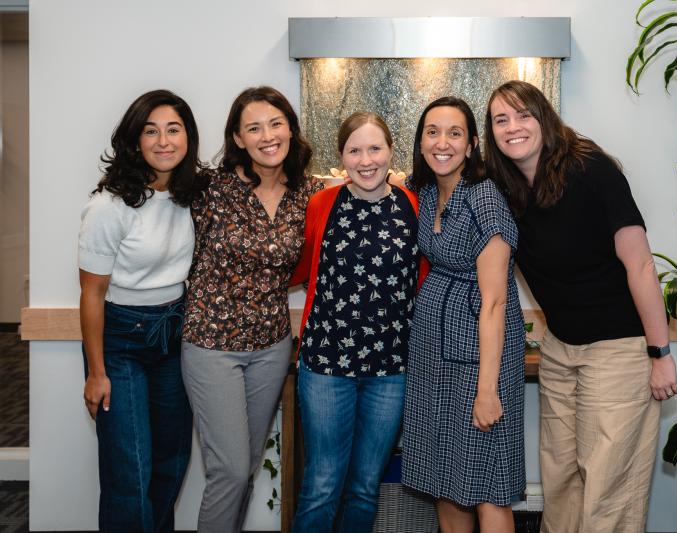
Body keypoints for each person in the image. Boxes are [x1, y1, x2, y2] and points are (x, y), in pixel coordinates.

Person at [484, 79, 677, 533]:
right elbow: (444, 168)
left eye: (523, 114)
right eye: (500, 119)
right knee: (560, 482)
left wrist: (660, 353)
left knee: (609, 488)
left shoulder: (590, 169)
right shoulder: (503, 185)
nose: (513, 127)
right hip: (560, 348)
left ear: (545, 118)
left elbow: (642, 267)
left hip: (619, 349)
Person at [181, 86, 321, 533]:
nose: (267, 135)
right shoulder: (208, 189)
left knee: (245, 468)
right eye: (254, 127)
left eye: (276, 123)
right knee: (231, 471)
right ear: (238, 139)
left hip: (271, 347)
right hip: (211, 345)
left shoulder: (309, 194)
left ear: (291, 129)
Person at [289, 112, 426, 533]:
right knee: (322, 485)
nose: (366, 160)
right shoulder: (321, 204)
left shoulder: (412, 204)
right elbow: (297, 269)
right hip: (326, 367)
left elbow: (420, 279)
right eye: (355, 150)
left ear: (391, 152)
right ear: (341, 158)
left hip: (390, 371)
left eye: (375, 148)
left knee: (366, 487)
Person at [78, 89, 202, 532]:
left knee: (171, 461)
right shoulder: (109, 206)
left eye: (173, 129)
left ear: (188, 138)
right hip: (120, 342)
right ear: (135, 141)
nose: (163, 140)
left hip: (175, 333)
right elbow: (91, 296)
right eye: (151, 131)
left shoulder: (193, 194)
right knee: (129, 470)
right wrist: (96, 373)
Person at [402, 97, 526, 533]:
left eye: (455, 133)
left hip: (479, 358)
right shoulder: (426, 191)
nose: (442, 142)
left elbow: (494, 302)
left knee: (487, 482)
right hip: (432, 357)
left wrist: (488, 390)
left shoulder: (484, 197)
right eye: (432, 132)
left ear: (472, 144)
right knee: (445, 478)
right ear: (419, 142)